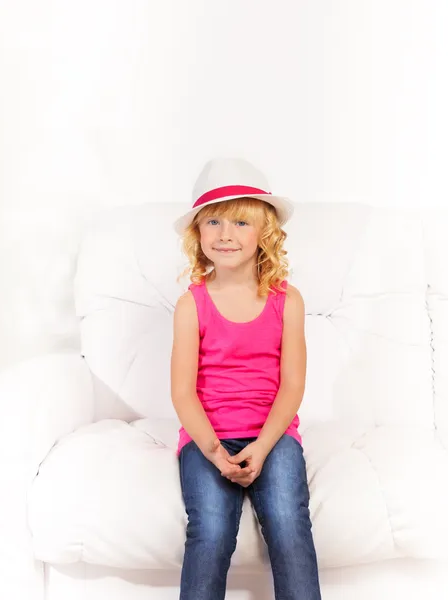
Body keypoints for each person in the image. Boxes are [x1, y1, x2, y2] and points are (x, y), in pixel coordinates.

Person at [170, 157, 321, 600]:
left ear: (264, 234)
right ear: (198, 234)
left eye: (240, 222)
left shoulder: (286, 300)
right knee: (211, 531)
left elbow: (292, 385)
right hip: (207, 439)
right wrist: (216, 453)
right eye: (213, 221)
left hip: (272, 436)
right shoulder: (190, 305)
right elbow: (182, 393)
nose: (226, 234)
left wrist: (263, 445)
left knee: (288, 521)